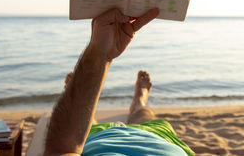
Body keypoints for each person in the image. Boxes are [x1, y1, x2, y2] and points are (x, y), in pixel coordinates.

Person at [43, 8, 194, 156]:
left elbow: (61, 150)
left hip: (95, 140)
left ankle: (84, 102)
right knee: (143, 115)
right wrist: (101, 53)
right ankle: (139, 101)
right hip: (159, 138)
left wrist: (99, 52)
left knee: (92, 125)